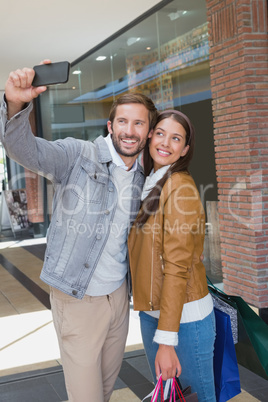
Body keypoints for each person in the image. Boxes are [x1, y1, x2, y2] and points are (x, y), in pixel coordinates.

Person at [0, 61, 158, 402]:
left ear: (148, 130)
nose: (129, 131)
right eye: (123, 122)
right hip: (78, 298)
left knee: (104, 388)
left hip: (118, 295)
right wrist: (15, 105)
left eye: (138, 123)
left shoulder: (145, 175)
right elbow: (24, 150)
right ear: (110, 125)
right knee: (86, 396)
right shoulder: (77, 155)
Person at [128, 110, 216, 401]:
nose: (166, 142)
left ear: (185, 149)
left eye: (176, 138)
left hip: (184, 320)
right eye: (161, 133)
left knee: (194, 397)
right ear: (150, 135)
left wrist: (167, 341)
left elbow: (177, 267)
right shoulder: (152, 181)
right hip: (156, 313)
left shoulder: (179, 187)